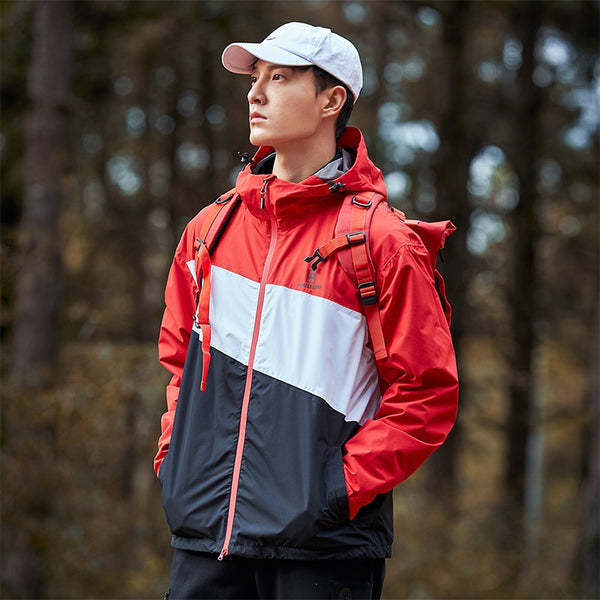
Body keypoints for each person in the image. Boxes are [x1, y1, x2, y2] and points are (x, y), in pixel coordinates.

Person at [155, 21, 459, 600]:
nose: (255, 93)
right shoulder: (209, 229)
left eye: (280, 77)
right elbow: (178, 362)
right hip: (204, 542)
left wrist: (334, 491)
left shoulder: (380, 241)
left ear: (331, 99)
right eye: (255, 78)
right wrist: (178, 460)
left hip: (322, 550)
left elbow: (426, 393)